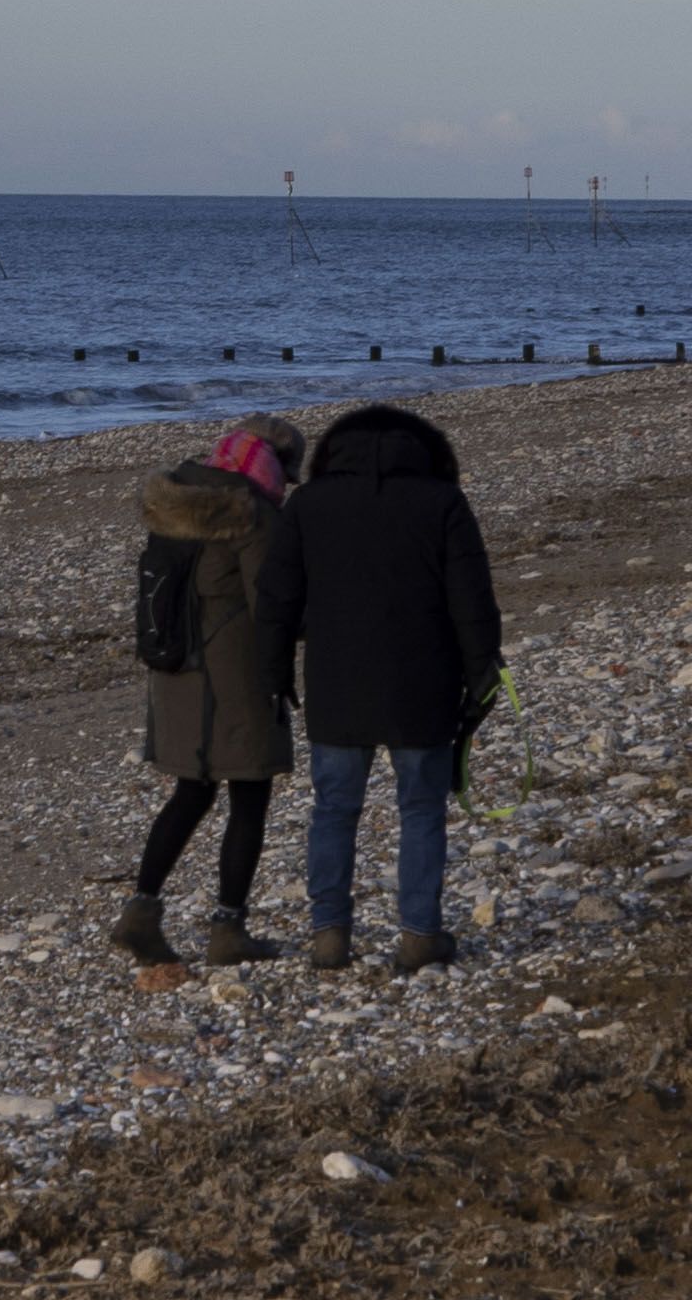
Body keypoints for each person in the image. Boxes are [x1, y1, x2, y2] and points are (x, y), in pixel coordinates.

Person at [271, 393, 503, 974]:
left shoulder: (309, 504)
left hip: (335, 681)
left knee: (334, 808)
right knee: (421, 809)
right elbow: (471, 600)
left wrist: (273, 672)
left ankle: (329, 933)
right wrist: (484, 675)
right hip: (422, 680)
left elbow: (277, 600)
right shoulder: (443, 501)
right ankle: (419, 933)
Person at [118, 421, 298, 970]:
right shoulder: (252, 514)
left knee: (191, 792)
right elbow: (272, 606)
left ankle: (140, 913)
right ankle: (228, 928)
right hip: (236, 675)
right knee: (250, 794)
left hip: (175, 675)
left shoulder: (175, 506)